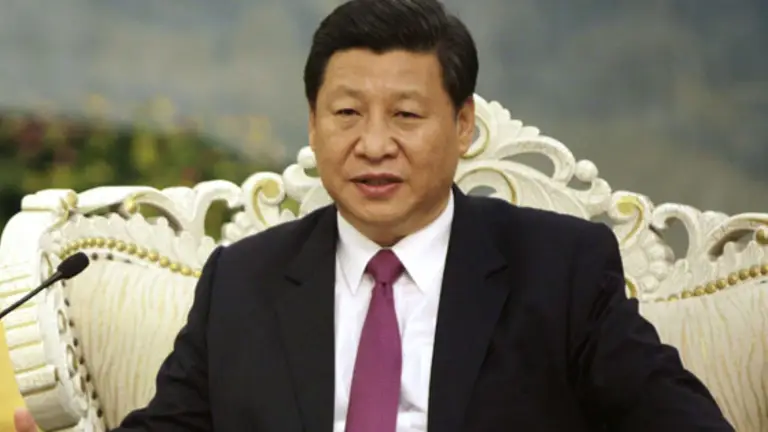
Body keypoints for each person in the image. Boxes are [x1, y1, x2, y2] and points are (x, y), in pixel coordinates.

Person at [16, 0, 733, 430]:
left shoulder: (562, 269)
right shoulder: (242, 281)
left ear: (463, 125)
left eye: (407, 115)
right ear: (313, 123)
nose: (374, 144)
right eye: (348, 113)